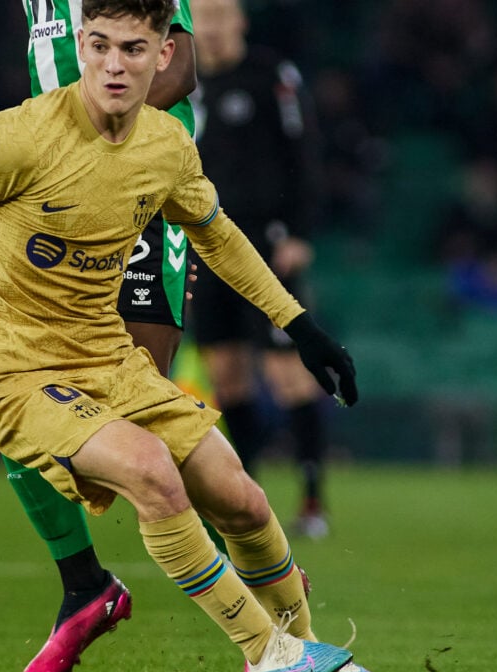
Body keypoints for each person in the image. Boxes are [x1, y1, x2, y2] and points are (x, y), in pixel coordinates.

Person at [0, 1, 370, 672]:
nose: (113, 65)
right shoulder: (19, 137)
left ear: (164, 55)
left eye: (133, 49)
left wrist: (299, 325)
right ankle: (270, 653)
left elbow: (217, 233)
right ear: (80, 46)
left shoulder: (166, 145)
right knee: (153, 470)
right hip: (22, 376)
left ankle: (296, 650)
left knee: (239, 495)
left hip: (109, 360)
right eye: (99, 46)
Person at [8, 1, 198, 671]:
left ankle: (272, 609)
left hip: (138, 191)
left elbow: (182, 70)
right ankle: (85, 587)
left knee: (147, 405)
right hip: (56, 199)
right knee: (10, 392)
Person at [190, 0, 333, 538]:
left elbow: (304, 153)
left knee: (287, 373)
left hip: (266, 245)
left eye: (220, 14)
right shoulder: (181, 82)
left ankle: (313, 498)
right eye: (201, 16)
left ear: (239, 20)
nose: (211, 26)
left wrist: (299, 231)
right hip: (203, 245)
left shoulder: (272, 77)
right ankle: (247, 498)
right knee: (226, 373)